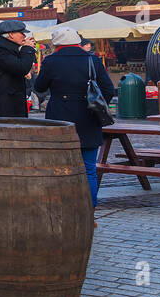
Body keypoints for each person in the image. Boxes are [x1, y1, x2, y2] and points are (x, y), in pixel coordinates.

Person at [34, 27, 115, 209]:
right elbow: (109, 90)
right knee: (89, 168)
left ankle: (62, 207)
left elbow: (39, 87)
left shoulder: (51, 61)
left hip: (59, 119)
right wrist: (95, 105)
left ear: (57, 44)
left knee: (60, 166)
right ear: (77, 42)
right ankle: (89, 210)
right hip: (88, 117)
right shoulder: (92, 60)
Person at [0, 20, 36, 118]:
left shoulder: (5, 48)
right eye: (21, 33)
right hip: (2, 106)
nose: (24, 36)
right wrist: (27, 49)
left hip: (9, 103)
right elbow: (22, 68)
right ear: (11, 34)